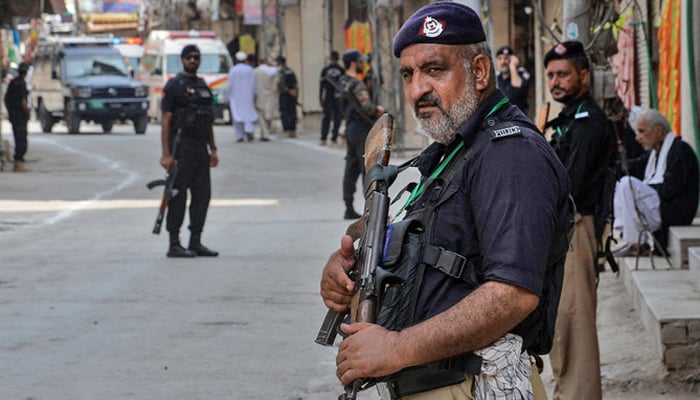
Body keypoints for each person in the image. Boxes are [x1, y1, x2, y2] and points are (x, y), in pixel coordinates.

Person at [319, 3, 572, 399]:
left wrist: (398, 347)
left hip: (474, 386)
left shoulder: (511, 154)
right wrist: (345, 266)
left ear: (480, 71)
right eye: (409, 74)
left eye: (435, 69)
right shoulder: (449, 151)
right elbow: (418, 233)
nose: (418, 88)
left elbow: (512, 293)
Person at [544, 40, 615, 400]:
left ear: (583, 76)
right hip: (565, 230)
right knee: (562, 325)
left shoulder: (587, 123)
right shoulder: (570, 118)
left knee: (574, 325)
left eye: (563, 74)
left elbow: (568, 186)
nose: (556, 81)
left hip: (576, 229)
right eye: (551, 75)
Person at [613, 108, 699, 256]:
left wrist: (645, 189)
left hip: (675, 210)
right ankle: (633, 241)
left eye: (641, 131)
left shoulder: (680, 150)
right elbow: (633, 166)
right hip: (660, 206)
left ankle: (637, 245)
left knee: (628, 184)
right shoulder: (654, 153)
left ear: (658, 131)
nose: (637, 138)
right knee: (621, 183)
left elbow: (671, 188)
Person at [160, 44, 219, 258]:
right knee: (178, 195)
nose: (193, 61)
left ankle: (196, 241)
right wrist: (166, 154)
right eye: (189, 58)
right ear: (183, 60)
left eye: (197, 57)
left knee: (202, 196)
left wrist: (213, 148)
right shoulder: (174, 86)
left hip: (200, 148)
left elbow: (208, 121)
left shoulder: (203, 86)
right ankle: (174, 243)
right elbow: (166, 121)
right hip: (181, 147)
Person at [339, 49, 384, 220]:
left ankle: (348, 206)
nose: (362, 64)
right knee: (368, 167)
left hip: (350, 127)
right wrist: (378, 110)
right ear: (353, 63)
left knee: (351, 167)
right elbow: (366, 107)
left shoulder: (342, 82)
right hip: (361, 128)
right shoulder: (356, 84)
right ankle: (371, 208)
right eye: (360, 62)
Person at [225, 52, 259, 143]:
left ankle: (239, 135)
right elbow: (253, 84)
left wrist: (227, 97)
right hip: (248, 95)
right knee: (248, 113)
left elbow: (229, 85)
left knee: (236, 115)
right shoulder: (250, 70)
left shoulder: (233, 70)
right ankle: (249, 131)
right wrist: (254, 95)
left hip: (235, 96)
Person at [4, 62, 31, 172]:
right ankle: (19, 162)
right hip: (20, 115)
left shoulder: (13, 82)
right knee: (22, 139)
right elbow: (24, 101)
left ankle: (18, 162)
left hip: (13, 115)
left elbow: (6, 99)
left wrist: (10, 111)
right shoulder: (21, 84)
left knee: (17, 137)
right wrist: (28, 112)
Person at [495, 46, 531, 115]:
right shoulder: (496, 78)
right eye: (500, 58)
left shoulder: (522, 73)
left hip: (519, 119)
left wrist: (513, 67)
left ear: (512, 59)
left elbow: (517, 89)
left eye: (506, 58)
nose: (503, 62)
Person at [319, 50, 344, 146]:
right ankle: (325, 137)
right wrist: (321, 98)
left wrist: (320, 97)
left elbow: (321, 86)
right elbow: (321, 85)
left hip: (332, 96)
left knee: (333, 117)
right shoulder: (339, 70)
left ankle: (330, 137)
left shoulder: (326, 70)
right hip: (332, 96)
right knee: (329, 117)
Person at [254, 57, 279, 141]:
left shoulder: (255, 72)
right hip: (270, 95)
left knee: (261, 115)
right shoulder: (272, 71)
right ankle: (265, 133)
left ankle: (264, 133)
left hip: (260, 94)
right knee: (269, 116)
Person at [275, 56, 298, 138]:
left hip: (284, 94)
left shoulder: (281, 72)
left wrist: (288, 90)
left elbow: (281, 84)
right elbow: (295, 83)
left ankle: (287, 130)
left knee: (284, 112)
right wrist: (295, 93)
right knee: (292, 112)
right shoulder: (291, 71)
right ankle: (293, 130)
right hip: (292, 94)